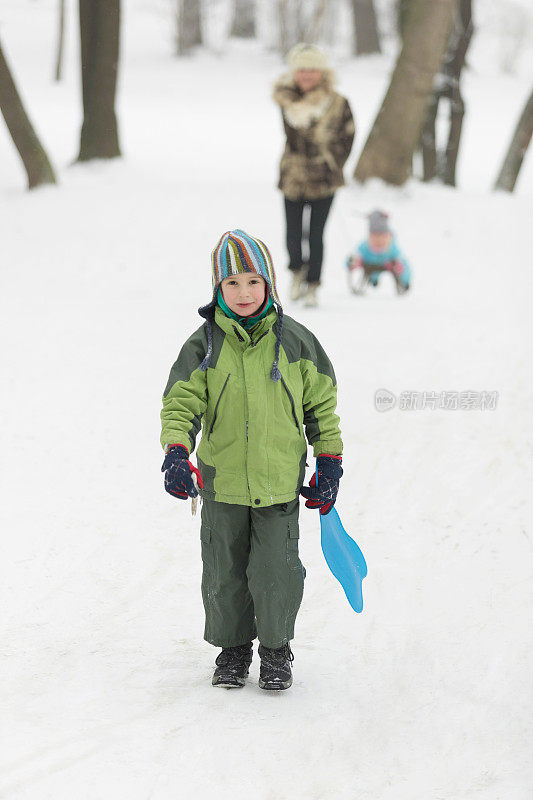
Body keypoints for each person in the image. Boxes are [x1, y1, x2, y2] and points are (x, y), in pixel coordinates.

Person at [160, 230, 343, 691]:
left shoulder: (298, 343)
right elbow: (180, 405)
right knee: (224, 572)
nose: (243, 294)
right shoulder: (203, 346)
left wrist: (329, 461)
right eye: (232, 284)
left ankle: (276, 650)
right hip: (221, 485)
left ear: (270, 285)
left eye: (253, 282)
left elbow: (322, 407)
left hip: (280, 482)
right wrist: (177, 452)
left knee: (275, 571)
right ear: (217, 289)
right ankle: (234, 648)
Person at [273, 43, 355, 308]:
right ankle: (297, 270)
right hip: (293, 176)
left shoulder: (338, 103)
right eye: (301, 70)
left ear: (322, 73)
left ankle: (313, 285)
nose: (306, 75)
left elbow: (348, 135)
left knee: (316, 234)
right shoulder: (286, 100)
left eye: (312, 70)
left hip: (324, 178)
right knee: (293, 234)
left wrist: (334, 163)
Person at [346, 210, 412, 295]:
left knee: (401, 268)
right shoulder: (364, 247)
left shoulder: (393, 249)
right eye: (375, 237)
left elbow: (405, 265)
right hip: (369, 266)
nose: (379, 241)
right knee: (370, 271)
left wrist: (402, 272)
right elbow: (353, 258)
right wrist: (352, 263)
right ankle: (373, 280)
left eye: (382, 237)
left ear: (388, 236)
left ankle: (403, 284)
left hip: (388, 265)